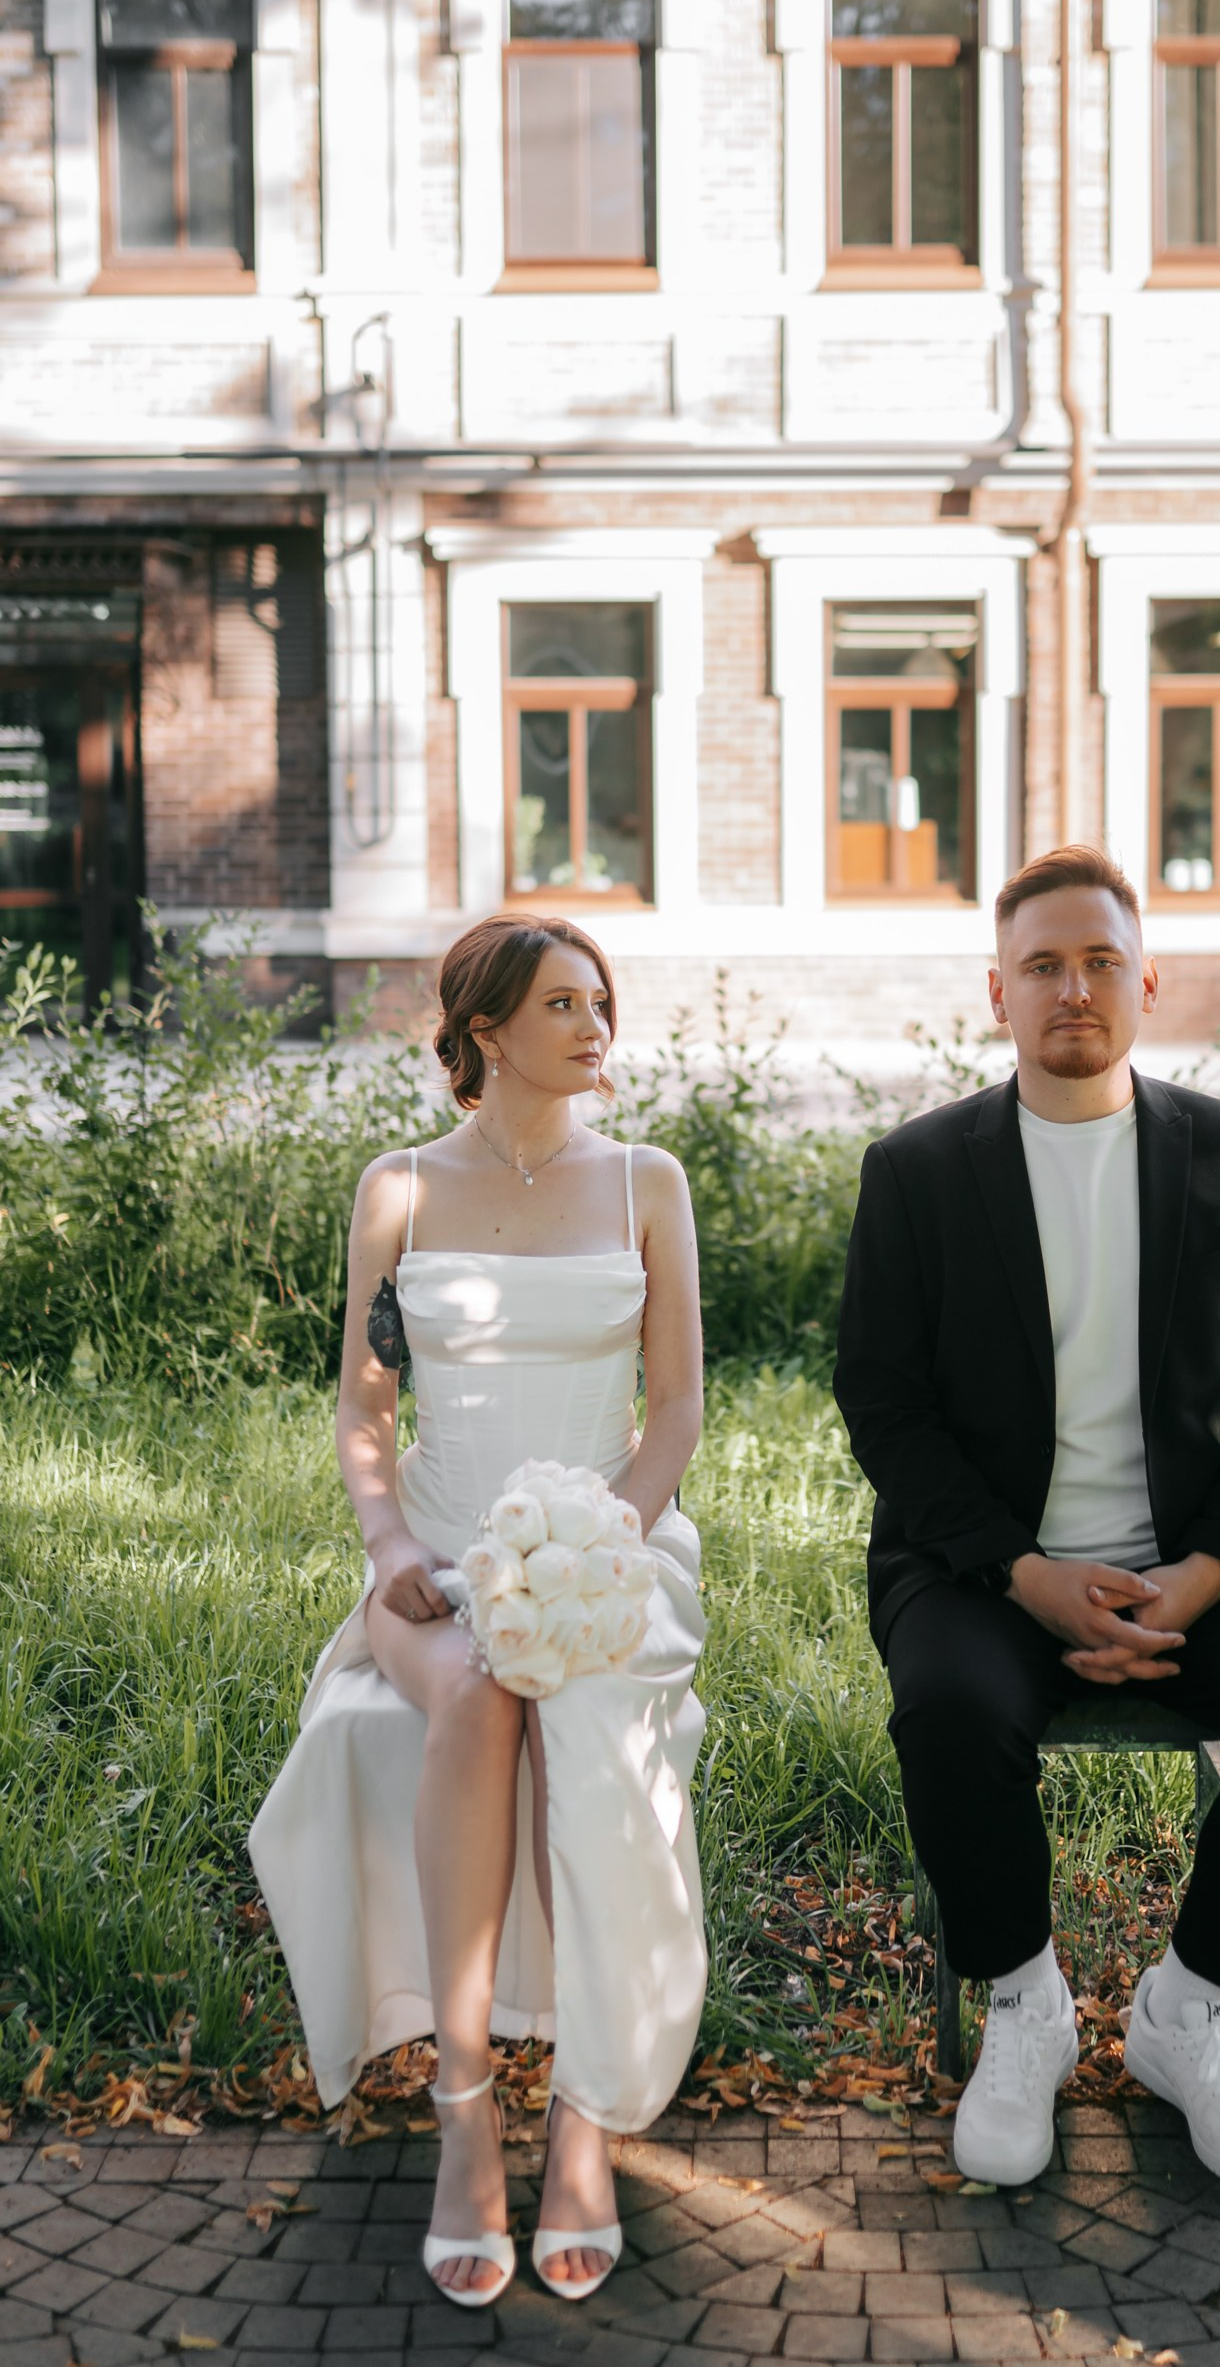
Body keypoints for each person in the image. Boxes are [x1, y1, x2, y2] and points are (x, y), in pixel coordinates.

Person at [833, 845, 1220, 2196]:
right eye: (1042, 965)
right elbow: (883, 1402)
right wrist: (1022, 1573)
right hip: (983, 1568)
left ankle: (1188, 2010)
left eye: (1099, 962)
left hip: (1201, 1565)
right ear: (998, 992)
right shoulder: (917, 1171)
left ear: (1148, 982)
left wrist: (1206, 1574)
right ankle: (1024, 2000)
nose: (1072, 988)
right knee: (950, 1710)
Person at [250, 914, 708, 2309]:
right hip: (436, 1552)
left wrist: (597, 1544)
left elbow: (677, 1411)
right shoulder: (397, 1188)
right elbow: (363, 1409)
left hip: (610, 1549)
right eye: (563, 1004)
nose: (595, 1026)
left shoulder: (646, 1182)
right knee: (471, 1689)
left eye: (602, 1001)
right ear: (487, 1031)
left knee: (573, 1714)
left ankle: (582, 2111)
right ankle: (464, 2110)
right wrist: (389, 1536)